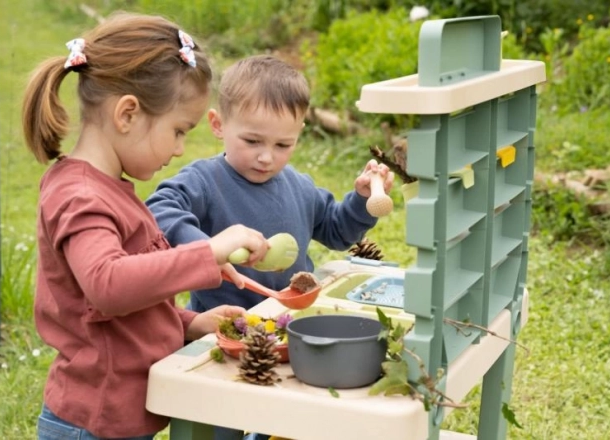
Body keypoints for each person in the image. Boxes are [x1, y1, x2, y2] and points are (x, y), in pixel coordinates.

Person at [22, 12, 270, 440]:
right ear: (127, 114)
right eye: (178, 131)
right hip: (91, 425)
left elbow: (114, 313)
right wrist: (207, 252)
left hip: (116, 420)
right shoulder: (81, 197)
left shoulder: (108, 189)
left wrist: (189, 323)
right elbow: (108, 286)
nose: (178, 150)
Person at [145, 54, 393, 440]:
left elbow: (336, 230)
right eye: (252, 141)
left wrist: (360, 200)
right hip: (224, 339)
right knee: (219, 426)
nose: (266, 156)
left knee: (286, 421)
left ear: (300, 132)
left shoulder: (298, 185)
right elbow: (159, 209)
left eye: (283, 144)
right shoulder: (205, 180)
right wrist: (208, 249)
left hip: (286, 338)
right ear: (218, 124)